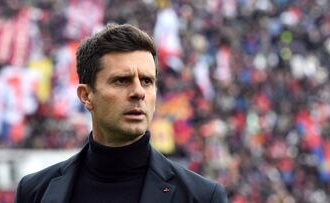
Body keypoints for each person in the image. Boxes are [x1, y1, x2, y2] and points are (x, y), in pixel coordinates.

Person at [15, 24, 228, 203]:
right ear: (86, 96)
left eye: (147, 81)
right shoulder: (35, 192)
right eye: (121, 80)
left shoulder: (202, 197)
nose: (138, 92)